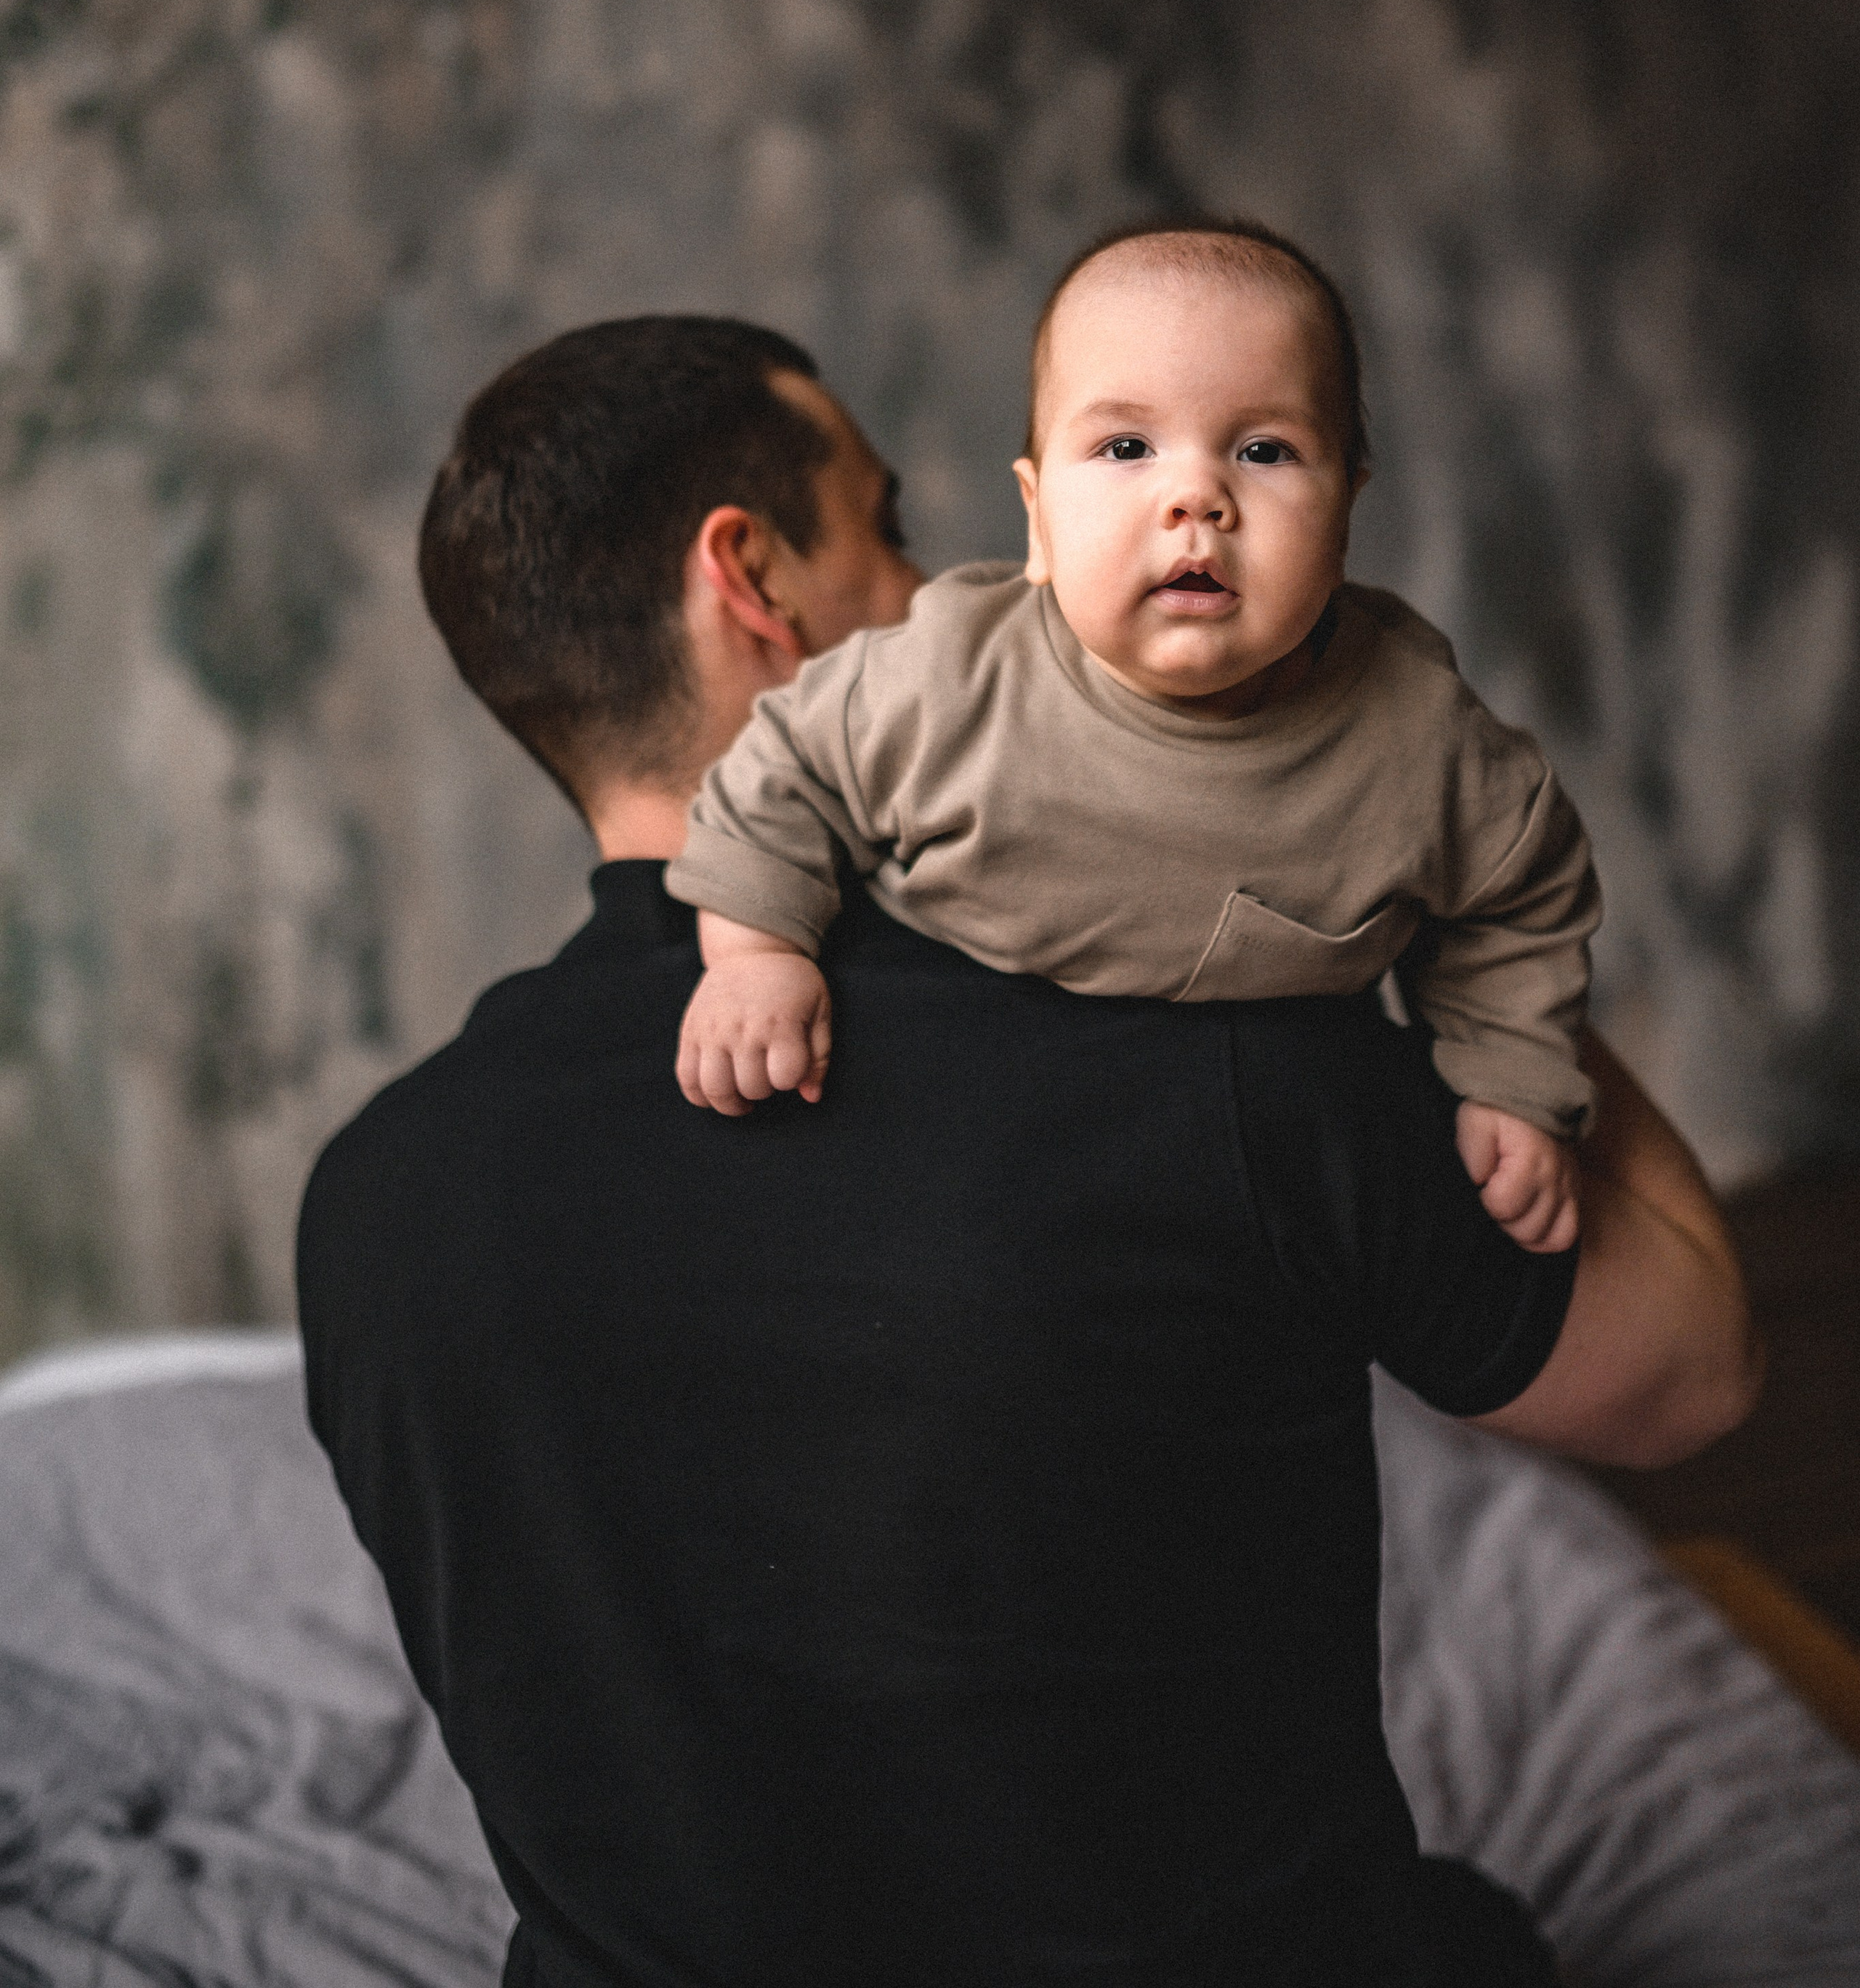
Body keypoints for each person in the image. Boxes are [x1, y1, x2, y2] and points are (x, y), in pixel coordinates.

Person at [297, 312, 1760, 1988]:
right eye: (891, 522)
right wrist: (1429, 849)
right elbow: (1685, 1375)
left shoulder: (374, 1200)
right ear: (751, 581)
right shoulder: (1206, 1040)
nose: (955, 582)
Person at [671, 220, 1593, 1252]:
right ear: (1037, 517)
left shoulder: (1421, 741)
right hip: (974, 1141)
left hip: (1270, 1193)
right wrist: (756, 953)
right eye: (1125, 448)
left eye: (1265, 450)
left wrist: (1508, 1077)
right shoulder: (946, 681)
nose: (1195, 497)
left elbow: (1527, 891)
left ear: (1345, 514)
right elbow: (783, 766)